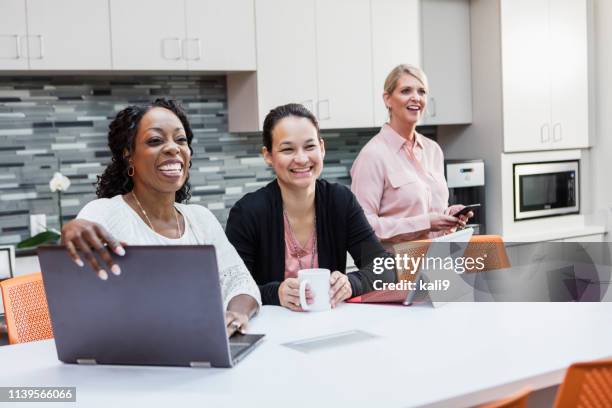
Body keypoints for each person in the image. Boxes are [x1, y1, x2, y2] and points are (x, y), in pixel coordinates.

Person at [60, 98, 261, 335]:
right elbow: (71, 273)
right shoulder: (105, 212)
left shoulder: (201, 219)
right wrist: (71, 234)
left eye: (181, 140)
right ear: (129, 156)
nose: (173, 148)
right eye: (155, 140)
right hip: (131, 355)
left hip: (200, 348)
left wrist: (236, 314)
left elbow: (241, 283)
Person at [225, 103, 395, 311]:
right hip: (271, 333)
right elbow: (229, 289)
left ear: (322, 148)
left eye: (310, 146)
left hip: (329, 327)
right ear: (268, 155)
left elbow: (386, 269)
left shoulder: (340, 201)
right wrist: (275, 293)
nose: (302, 158)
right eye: (288, 149)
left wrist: (352, 283)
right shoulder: (247, 212)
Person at [351, 64, 472, 243]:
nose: (416, 98)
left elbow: (429, 210)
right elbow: (362, 226)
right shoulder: (372, 156)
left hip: (438, 264)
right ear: (387, 99)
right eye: (406, 91)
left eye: (422, 92)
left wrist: (448, 216)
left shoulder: (433, 150)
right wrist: (424, 223)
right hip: (395, 267)